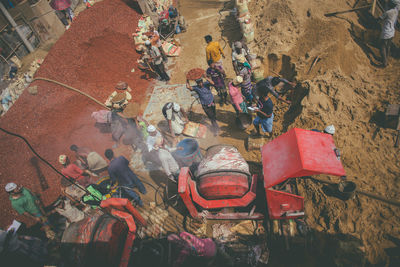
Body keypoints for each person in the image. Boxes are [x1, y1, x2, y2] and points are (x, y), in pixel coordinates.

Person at [379, 1, 399, 67]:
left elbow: (380, 19)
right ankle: (387, 60)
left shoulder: (387, 12)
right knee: (388, 46)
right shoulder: (395, 11)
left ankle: (384, 63)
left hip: (386, 32)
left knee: (382, 47)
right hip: (392, 32)